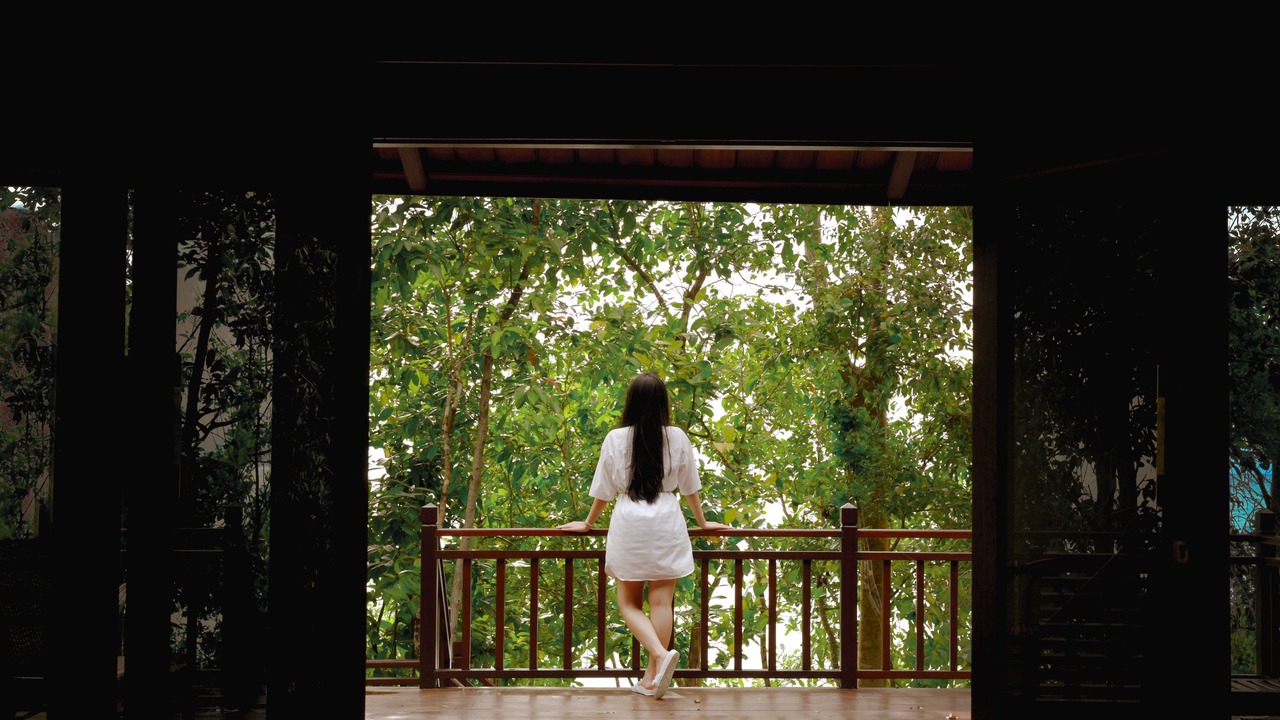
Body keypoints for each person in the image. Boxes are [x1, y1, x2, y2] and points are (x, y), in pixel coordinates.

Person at [558, 372, 730, 699]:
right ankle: (653, 676)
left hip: (629, 521)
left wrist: (588, 522)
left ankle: (656, 667)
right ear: (663, 403)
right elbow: (691, 485)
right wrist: (703, 522)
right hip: (667, 519)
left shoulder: (615, 438)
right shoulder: (677, 436)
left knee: (628, 603)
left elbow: (603, 490)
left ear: (631, 403)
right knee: (662, 601)